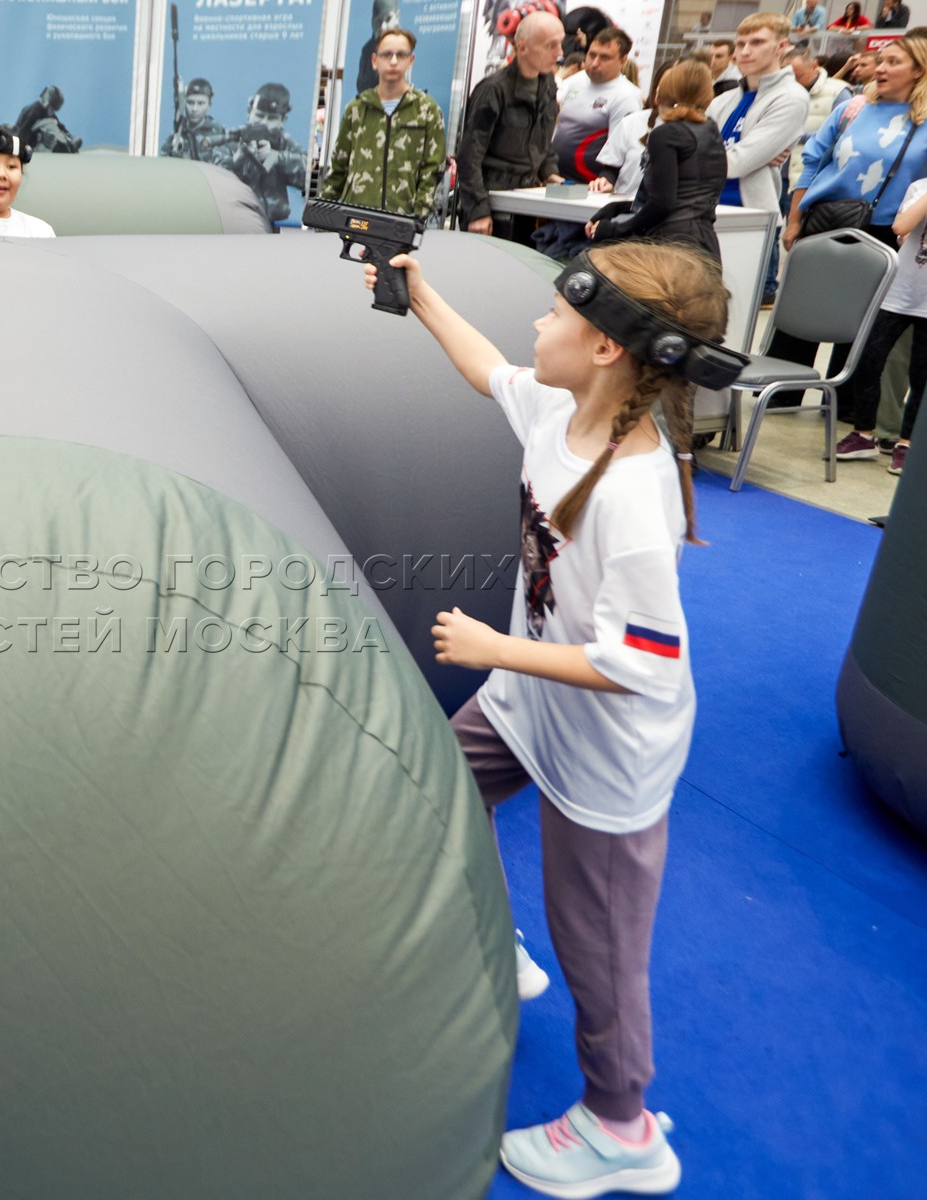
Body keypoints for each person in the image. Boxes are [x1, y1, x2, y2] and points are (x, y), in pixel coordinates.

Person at [365, 238, 732, 1200]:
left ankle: (622, 1126)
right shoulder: (561, 410)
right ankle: (497, 939)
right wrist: (419, 294)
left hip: (604, 757)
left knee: (599, 953)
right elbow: (487, 367)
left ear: (606, 346)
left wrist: (495, 648)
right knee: (442, 785)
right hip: (530, 703)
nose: (537, 322)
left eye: (556, 313)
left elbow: (640, 664)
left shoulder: (634, 495)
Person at [777, 38, 927, 384]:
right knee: (802, 315)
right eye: (881, 61)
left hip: (885, 235)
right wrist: (795, 220)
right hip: (825, 222)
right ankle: (782, 393)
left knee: (861, 328)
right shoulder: (852, 109)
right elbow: (813, 163)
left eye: (893, 62)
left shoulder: (922, 122)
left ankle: (843, 403)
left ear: (919, 71)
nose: (881, 69)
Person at [706, 12, 808, 298]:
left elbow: (738, 162)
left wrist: (705, 157)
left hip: (750, 219)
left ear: (781, 46)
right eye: (740, 44)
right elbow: (695, 151)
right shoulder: (723, 100)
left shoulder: (791, 97)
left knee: (738, 307)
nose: (745, 51)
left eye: (757, 42)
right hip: (706, 212)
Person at [586, 60, 726, 260]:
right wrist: (616, 208)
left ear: (660, 96)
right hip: (705, 245)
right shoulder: (711, 130)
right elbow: (677, 197)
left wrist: (614, 230)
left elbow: (662, 204)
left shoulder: (666, 134)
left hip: (668, 248)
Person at [839, 177, 927, 469]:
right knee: (869, 360)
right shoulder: (920, 188)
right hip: (900, 292)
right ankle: (863, 434)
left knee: (920, 374)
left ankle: (907, 443)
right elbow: (901, 228)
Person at [457, 11, 564, 244]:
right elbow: (469, 155)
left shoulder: (548, 85)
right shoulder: (493, 90)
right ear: (522, 47)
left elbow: (542, 142)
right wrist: (478, 211)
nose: (559, 53)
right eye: (551, 45)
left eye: (560, 43)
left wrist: (551, 174)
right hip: (492, 201)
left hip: (528, 199)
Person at [320, 27, 447, 219]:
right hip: (356, 219)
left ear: (411, 61)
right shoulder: (357, 109)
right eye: (386, 54)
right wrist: (321, 213)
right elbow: (338, 167)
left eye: (401, 55)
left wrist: (418, 215)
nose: (393, 61)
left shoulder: (427, 110)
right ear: (374, 60)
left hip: (402, 220)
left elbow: (433, 169)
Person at [212, 83, 309, 229]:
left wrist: (275, 158)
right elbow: (213, 177)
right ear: (249, 112)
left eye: (272, 118)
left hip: (273, 225)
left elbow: (308, 174)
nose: (263, 122)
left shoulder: (284, 143)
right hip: (233, 222)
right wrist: (238, 159)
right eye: (259, 115)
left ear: (283, 120)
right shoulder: (232, 139)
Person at [552, 28, 643, 181]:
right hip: (554, 176)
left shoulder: (626, 96)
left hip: (588, 184)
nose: (594, 63)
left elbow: (620, 149)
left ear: (623, 60)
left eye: (605, 58)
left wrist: (606, 180)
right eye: (592, 55)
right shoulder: (574, 81)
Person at [785, 45, 850, 179]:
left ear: (814, 66)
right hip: (780, 172)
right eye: (787, 77)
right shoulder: (782, 92)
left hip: (812, 173)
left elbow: (844, 135)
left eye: (798, 76)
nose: (793, 82)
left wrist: (795, 136)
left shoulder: (838, 92)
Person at [161, 78, 228, 160]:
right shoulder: (176, 135)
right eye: (190, 103)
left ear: (209, 106)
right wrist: (175, 153)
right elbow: (163, 162)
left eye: (200, 103)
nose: (194, 109)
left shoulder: (219, 132)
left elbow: (226, 163)